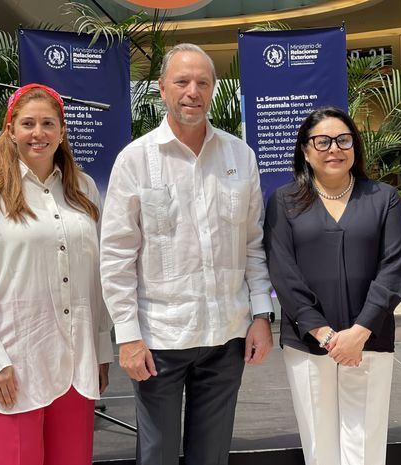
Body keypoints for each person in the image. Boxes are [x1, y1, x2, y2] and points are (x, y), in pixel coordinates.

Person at [100, 43, 274, 465]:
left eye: (202, 82)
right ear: (162, 88)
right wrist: (127, 335)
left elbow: (253, 244)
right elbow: (117, 256)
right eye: (182, 81)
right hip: (159, 338)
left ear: (213, 89)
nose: (192, 91)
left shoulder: (240, 156)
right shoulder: (135, 160)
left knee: (211, 456)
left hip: (226, 335)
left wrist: (262, 316)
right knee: (156, 455)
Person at [0, 83, 113, 465]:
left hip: (76, 363)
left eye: (47, 123)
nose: (37, 133)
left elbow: (98, 278)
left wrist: (102, 350)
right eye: (27, 124)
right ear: (10, 130)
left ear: (62, 131)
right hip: (14, 364)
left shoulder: (85, 190)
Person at [263, 106, 401, 465]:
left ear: (354, 147)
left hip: (369, 340)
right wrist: (326, 335)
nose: (334, 149)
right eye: (322, 141)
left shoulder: (382, 198)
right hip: (309, 342)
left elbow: (393, 268)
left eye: (343, 140)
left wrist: (358, 333)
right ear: (305, 150)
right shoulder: (284, 202)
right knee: (320, 448)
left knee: (366, 448)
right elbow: (284, 273)